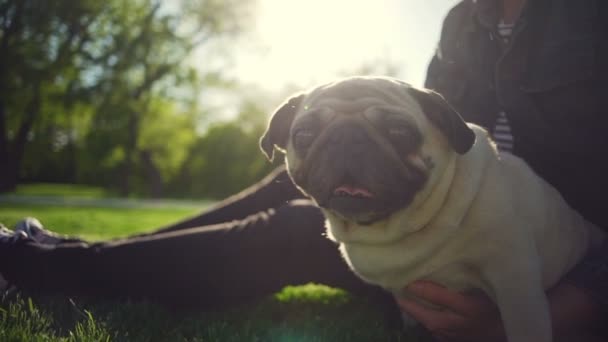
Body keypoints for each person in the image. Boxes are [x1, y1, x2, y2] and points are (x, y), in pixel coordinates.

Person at [1, 0, 606, 340]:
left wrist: (566, 308)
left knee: (289, 230)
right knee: (283, 184)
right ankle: (75, 252)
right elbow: (431, 121)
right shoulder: (459, 23)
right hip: (431, 218)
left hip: (544, 254)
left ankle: (31, 262)